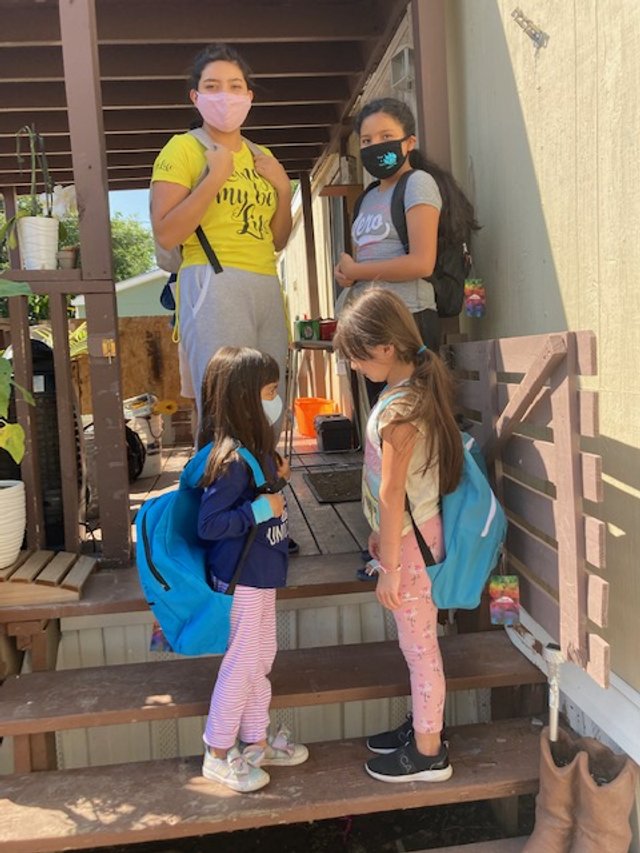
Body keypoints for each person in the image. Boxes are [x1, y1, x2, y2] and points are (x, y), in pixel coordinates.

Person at [333, 288, 463, 783]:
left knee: (420, 650)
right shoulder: (404, 395)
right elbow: (391, 495)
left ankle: (429, 753)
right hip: (408, 537)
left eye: (357, 355)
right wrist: (379, 538)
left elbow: (393, 494)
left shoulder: (400, 409)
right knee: (418, 646)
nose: (354, 364)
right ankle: (424, 729)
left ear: (386, 348)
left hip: (410, 547)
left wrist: (388, 567)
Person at [150, 43, 292, 423]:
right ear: (195, 96)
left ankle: (264, 465)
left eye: (234, 86)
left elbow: (278, 240)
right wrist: (215, 177)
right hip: (213, 281)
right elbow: (166, 233)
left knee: (271, 404)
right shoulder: (183, 149)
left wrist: (284, 189)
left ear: (249, 95)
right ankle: (222, 466)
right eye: (212, 86)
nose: (224, 96)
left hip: (266, 282)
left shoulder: (262, 156)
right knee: (226, 406)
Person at [197, 346, 308, 793]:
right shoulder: (229, 460)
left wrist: (277, 482)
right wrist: (261, 509)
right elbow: (210, 524)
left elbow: (263, 499)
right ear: (244, 397)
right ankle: (217, 752)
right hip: (241, 580)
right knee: (242, 662)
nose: (275, 400)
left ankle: (256, 742)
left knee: (261, 658)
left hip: (260, 575)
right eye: (269, 391)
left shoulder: (253, 453)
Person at [335, 96, 479, 355]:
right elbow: (369, 258)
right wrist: (347, 275)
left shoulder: (417, 183)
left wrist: (357, 270)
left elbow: (421, 263)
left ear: (409, 142)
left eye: (386, 136)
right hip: (370, 321)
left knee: (411, 384)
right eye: (367, 140)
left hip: (408, 319)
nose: (375, 145)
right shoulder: (367, 197)